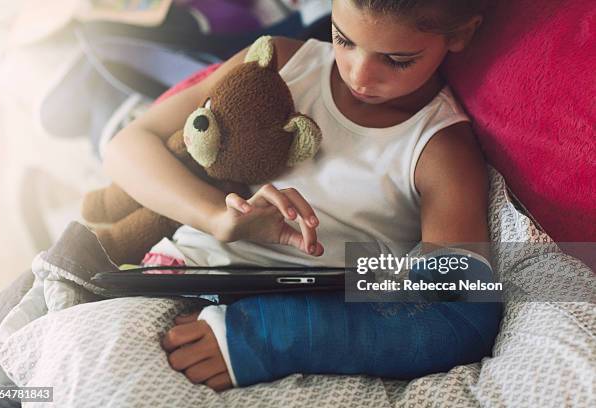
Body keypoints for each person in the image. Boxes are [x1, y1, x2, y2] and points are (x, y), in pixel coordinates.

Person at [103, 0, 501, 393]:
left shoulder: (441, 150)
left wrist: (265, 335)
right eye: (343, 39)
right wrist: (215, 218)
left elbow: (460, 315)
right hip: (176, 276)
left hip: (283, 327)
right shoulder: (279, 60)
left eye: (397, 59)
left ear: (460, 34)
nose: (359, 76)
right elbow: (128, 145)